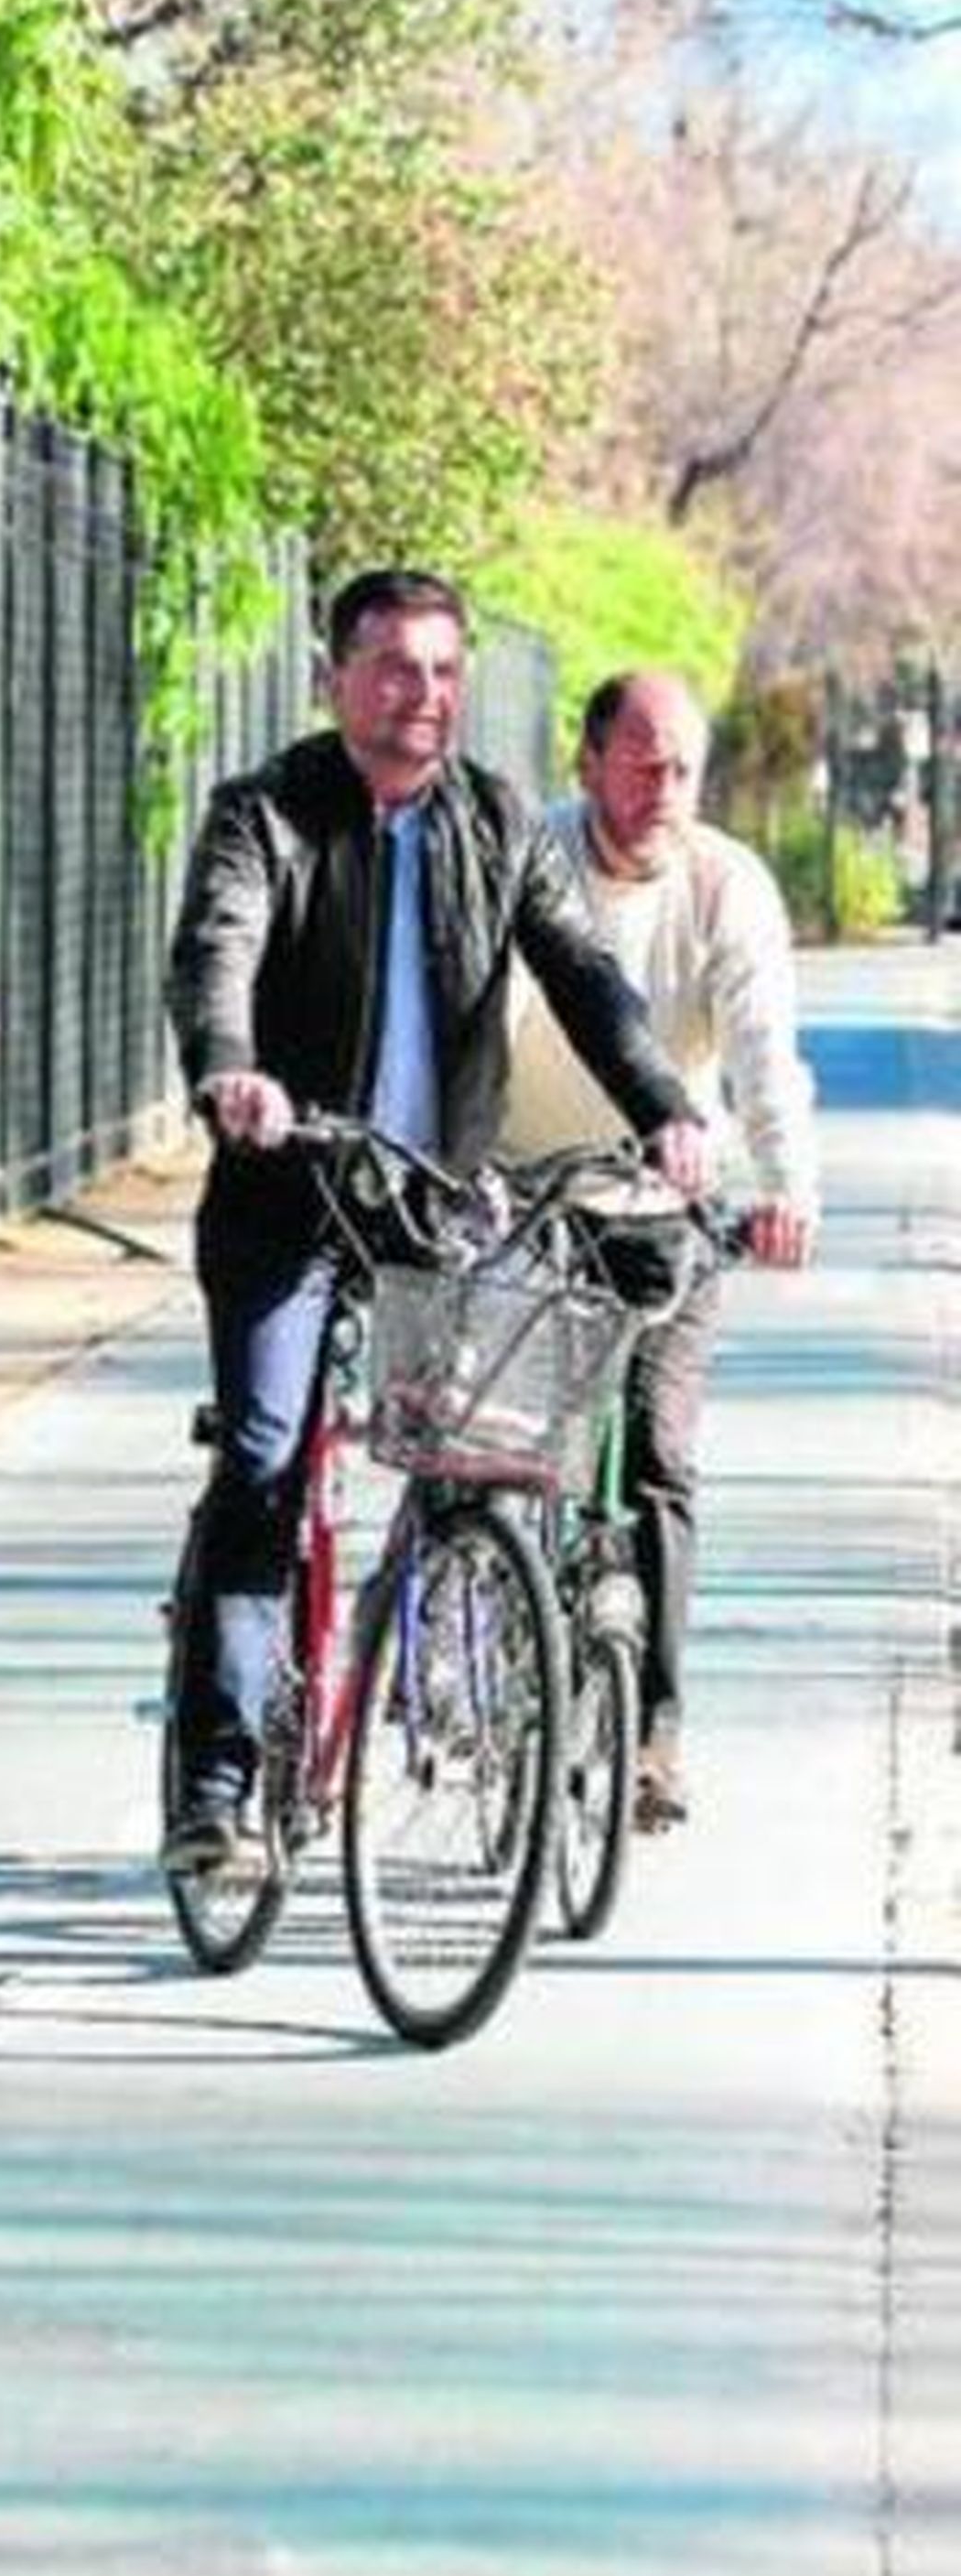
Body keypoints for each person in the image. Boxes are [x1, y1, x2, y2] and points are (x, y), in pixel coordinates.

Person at [162, 568, 715, 1878]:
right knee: (264, 1457)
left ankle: (443, 1668)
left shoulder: (497, 820)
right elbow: (216, 953)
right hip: (289, 1197)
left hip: (432, 1204)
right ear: (336, 678)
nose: (424, 695)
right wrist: (232, 1072)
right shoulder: (265, 814)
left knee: (480, 1458)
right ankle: (217, 1785)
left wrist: (665, 1110)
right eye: (396, 667)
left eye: (445, 671)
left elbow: (585, 977)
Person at [500, 668, 819, 1824]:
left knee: (655, 1458)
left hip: (662, 1205)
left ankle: (653, 1735)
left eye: (682, 768)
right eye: (639, 766)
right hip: (523, 1194)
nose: (662, 789)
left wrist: (783, 1187)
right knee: (482, 1445)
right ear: (587, 762)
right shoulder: (530, 857)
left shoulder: (726, 884)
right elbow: (478, 1010)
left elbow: (762, 1050)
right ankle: (452, 1639)